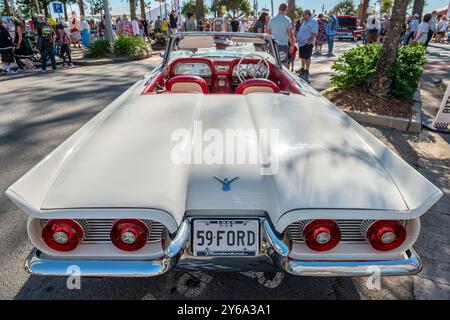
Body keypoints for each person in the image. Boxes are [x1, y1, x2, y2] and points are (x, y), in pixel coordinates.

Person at [296, 9, 318, 81]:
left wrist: (309, 41)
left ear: (308, 14)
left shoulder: (313, 21)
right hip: (302, 43)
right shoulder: (304, 21)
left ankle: (307, 70)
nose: (302, 16)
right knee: (302, 56)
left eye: (304, 15)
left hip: (307, 43)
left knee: (307, 57)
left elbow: (315, 33)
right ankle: (302, 68)